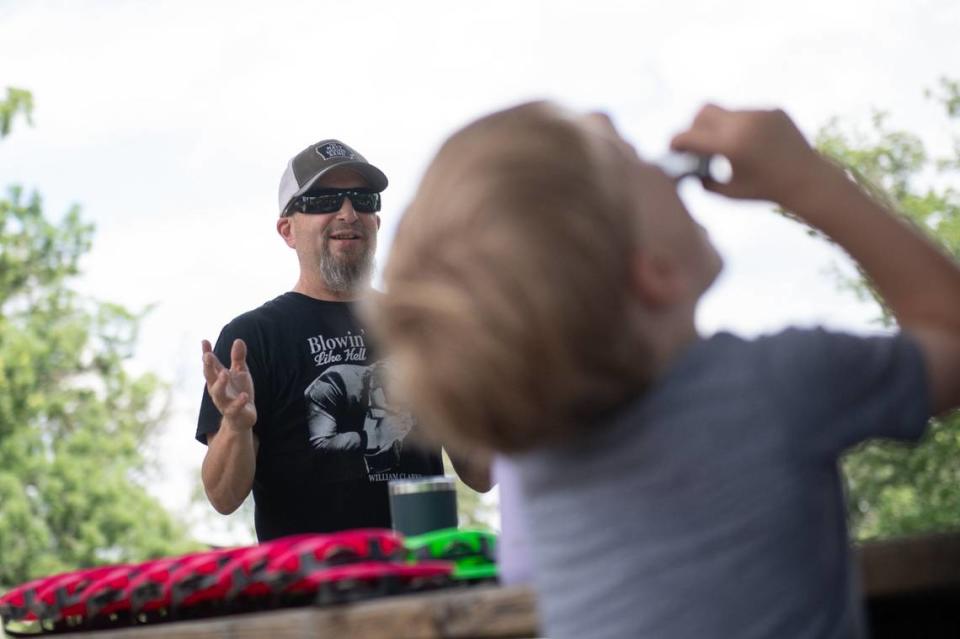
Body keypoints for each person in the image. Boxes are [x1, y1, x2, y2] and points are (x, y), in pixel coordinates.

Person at [371, 102, 960, 638]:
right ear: (655, 272)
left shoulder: (534, 455)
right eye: (638, 160)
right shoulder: (772, 388)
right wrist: (809, 181)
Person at [197, 139, 490, 542]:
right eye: (322, 200)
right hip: (311, 591)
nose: (348, 212)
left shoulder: (420, 324)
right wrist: (235, 424)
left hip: (424, 579)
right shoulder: (252, 339)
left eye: (363, 199)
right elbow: (223, 497)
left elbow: (483, 475)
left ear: (377, 222)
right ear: (287, 229)